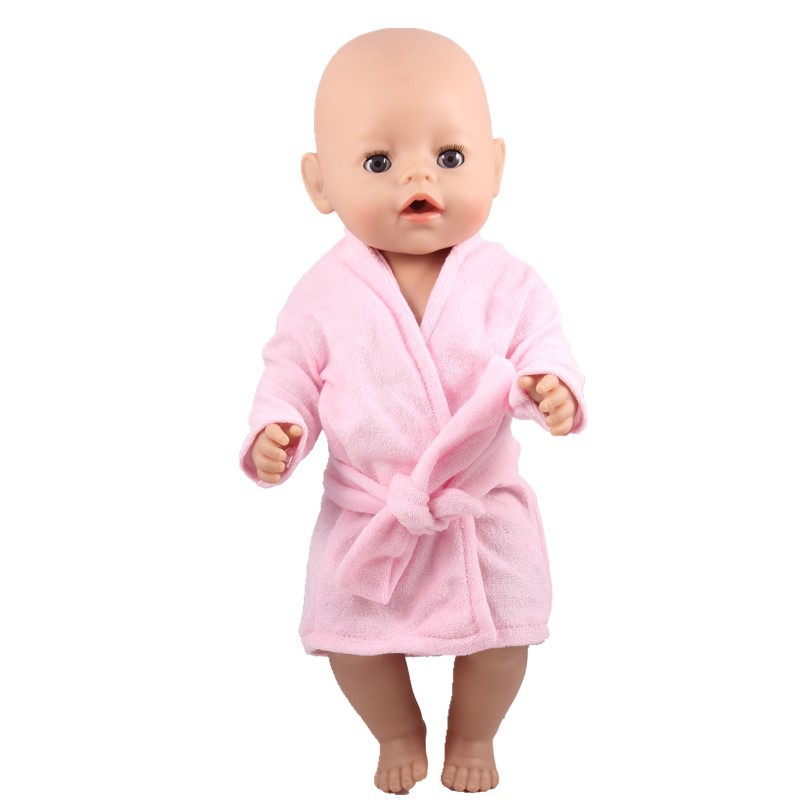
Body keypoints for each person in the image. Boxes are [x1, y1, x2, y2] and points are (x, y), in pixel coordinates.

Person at [239, 28, 587, 794]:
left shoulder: (509, 282)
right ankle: (397, 730)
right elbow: (289, 371)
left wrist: (551, 385)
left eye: (451, 157)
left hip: (478, 511)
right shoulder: (323, 295)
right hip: (370, 514)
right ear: (320, 184)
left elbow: (544, 346)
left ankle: (473, 731)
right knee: (350, 644)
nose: (419, 177)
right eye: (378, 163)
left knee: (505, 638)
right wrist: (279, 428)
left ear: (495, 165)